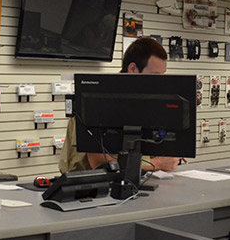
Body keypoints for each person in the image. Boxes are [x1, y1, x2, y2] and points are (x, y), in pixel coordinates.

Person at [58, 37, 181, 173]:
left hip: (134, 184)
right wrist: (155, 164)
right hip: (86, 188)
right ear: (133, 68)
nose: (160, 83)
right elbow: (100, 164)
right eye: (155, 75)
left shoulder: (144, 103)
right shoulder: (96, 101)